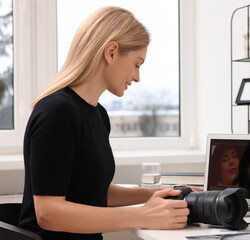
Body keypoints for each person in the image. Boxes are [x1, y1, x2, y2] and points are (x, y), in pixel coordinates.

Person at [19, 6, 195, 240]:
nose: (137, 77)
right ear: (111, 52)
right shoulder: (57, 112)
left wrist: (157, 194)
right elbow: (48, 213)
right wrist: (143, 215)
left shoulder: (97, 115)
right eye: (137, 64)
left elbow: (94, 192)